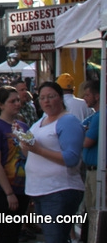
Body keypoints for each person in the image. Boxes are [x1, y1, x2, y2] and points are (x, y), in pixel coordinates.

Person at [21, 81, 85, 243]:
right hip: (39, 189)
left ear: (61, 98)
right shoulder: (41, 121)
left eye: (51, 97)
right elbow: (30, 153)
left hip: (59, 189)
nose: (46, 101)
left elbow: (71, 158)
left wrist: (38, 150)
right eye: (42, 98)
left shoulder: (68, 121)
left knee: (55, 238)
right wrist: (24, 144)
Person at [0, 86, 30, 243]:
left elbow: (30, 154)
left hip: (22, 187)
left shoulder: (23, 126)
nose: (17, 104)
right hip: (0, 189)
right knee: (7, 233)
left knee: (15, 233)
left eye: (18, 100)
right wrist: (9, 193)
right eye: (12, 101)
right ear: (1, 105)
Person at [81, 79, 100, 243]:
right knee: (88, 208)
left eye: (87, 95)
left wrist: (82, 135)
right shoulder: (94, 116)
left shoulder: (100, 116)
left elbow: (86, 141)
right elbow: (81, 128)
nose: (84, 98)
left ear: (97, 96)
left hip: (97, 171)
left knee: (94, 210)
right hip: (90, 169)